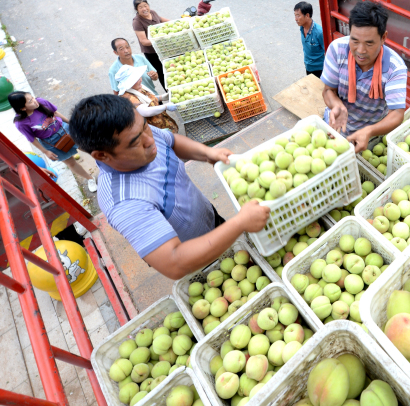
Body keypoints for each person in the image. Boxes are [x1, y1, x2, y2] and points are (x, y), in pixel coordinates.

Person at [68, 94, 270, 280]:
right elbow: (175, 263)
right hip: (195, 258)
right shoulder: (124, 203)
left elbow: (170, 141)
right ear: (102, 155)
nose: (150, 140)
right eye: (136, 141)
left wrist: (207, 153)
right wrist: (240, 223)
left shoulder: (139, 133)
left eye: (145, 127)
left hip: (208, 219)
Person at [321, 1, 408, 153]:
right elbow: (328, 90)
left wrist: (369, 131)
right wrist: (337, 106)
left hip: (370, 134)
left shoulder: (395, 68)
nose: (360, 50)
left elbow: (397, 113)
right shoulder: (337, 50)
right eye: (354, 40)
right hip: (336, 123)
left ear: (383, 38)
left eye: (369, 43)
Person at [9, 92, 98, 192]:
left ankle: (105, 164)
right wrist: (45, 152)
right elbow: (32, 139)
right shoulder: (21, 123)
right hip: (52, 143)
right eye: (30, 101)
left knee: (87, 147)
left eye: (32, 97)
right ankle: (90, 179)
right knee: (71, 162)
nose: (34, 101)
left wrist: (72, 124)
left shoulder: (41, 102)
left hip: (65, 129)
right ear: (22, 108)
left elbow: (55, 113)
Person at [115, 65, 179, 134]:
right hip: (153, 132)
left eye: (139, 77)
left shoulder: (138, 87)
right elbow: (145, 111)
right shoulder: (128, 97)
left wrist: (162, 97)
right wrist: (165, 107)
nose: (140, 80)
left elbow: (148, 99)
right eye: (136, 79)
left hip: (163, 124)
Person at [131, 0, 169, 86]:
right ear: (136, 9)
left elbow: (162, 20)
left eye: (145, 5)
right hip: (152, 53)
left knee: (170, 68)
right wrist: (159, 39)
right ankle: (168, 91)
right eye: (140, 7)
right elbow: (143, 41)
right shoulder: (137, 22)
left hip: (163, 48)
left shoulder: (152, 12)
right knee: (162, 72)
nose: (144, 9)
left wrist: (178, 22)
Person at [294, 1, 325, 78]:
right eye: (295, 16)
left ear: (307, 15)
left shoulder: (319, 32)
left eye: (298, 16)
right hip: (308, 66)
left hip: (320, 70)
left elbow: (328, 52)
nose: (295, 19)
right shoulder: (302, 27)